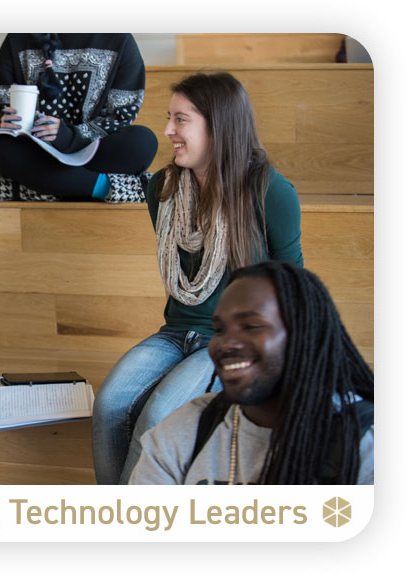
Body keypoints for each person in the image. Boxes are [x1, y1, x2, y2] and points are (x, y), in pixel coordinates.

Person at [92, 71, 304, 484]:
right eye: (168, 117)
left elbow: (294, 288)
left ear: (218, 125)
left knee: (157, 416)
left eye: (181, 120)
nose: (168, 131)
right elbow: (183, 275)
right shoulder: (162, 189)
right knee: (109, 404)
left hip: (230, 339)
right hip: (176, 333)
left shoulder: (270, 191)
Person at [126, 261, 374, 485]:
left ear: (306, 337)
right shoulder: (183, 431)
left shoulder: (367, 444)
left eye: (252, 326)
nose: (226, 343)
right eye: (220, 329)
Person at [0, 33, 158, 203]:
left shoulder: (119, 38)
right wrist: (2, 119)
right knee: (4, 151)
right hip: (37, 153)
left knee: (143, 142)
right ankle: (106, 188)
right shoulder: (17, 39)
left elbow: (121, 114)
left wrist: (69, 136)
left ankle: (37, 189)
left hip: (95, 150)